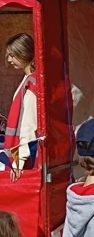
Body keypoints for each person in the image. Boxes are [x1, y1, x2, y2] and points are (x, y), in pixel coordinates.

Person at [4, 33, 37, 182]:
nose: (9, 60)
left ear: (24, 53)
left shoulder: (30, 86)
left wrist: (18, 162)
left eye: (13, 55)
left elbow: (28, 129)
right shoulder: (29, 80)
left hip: (24, 158)